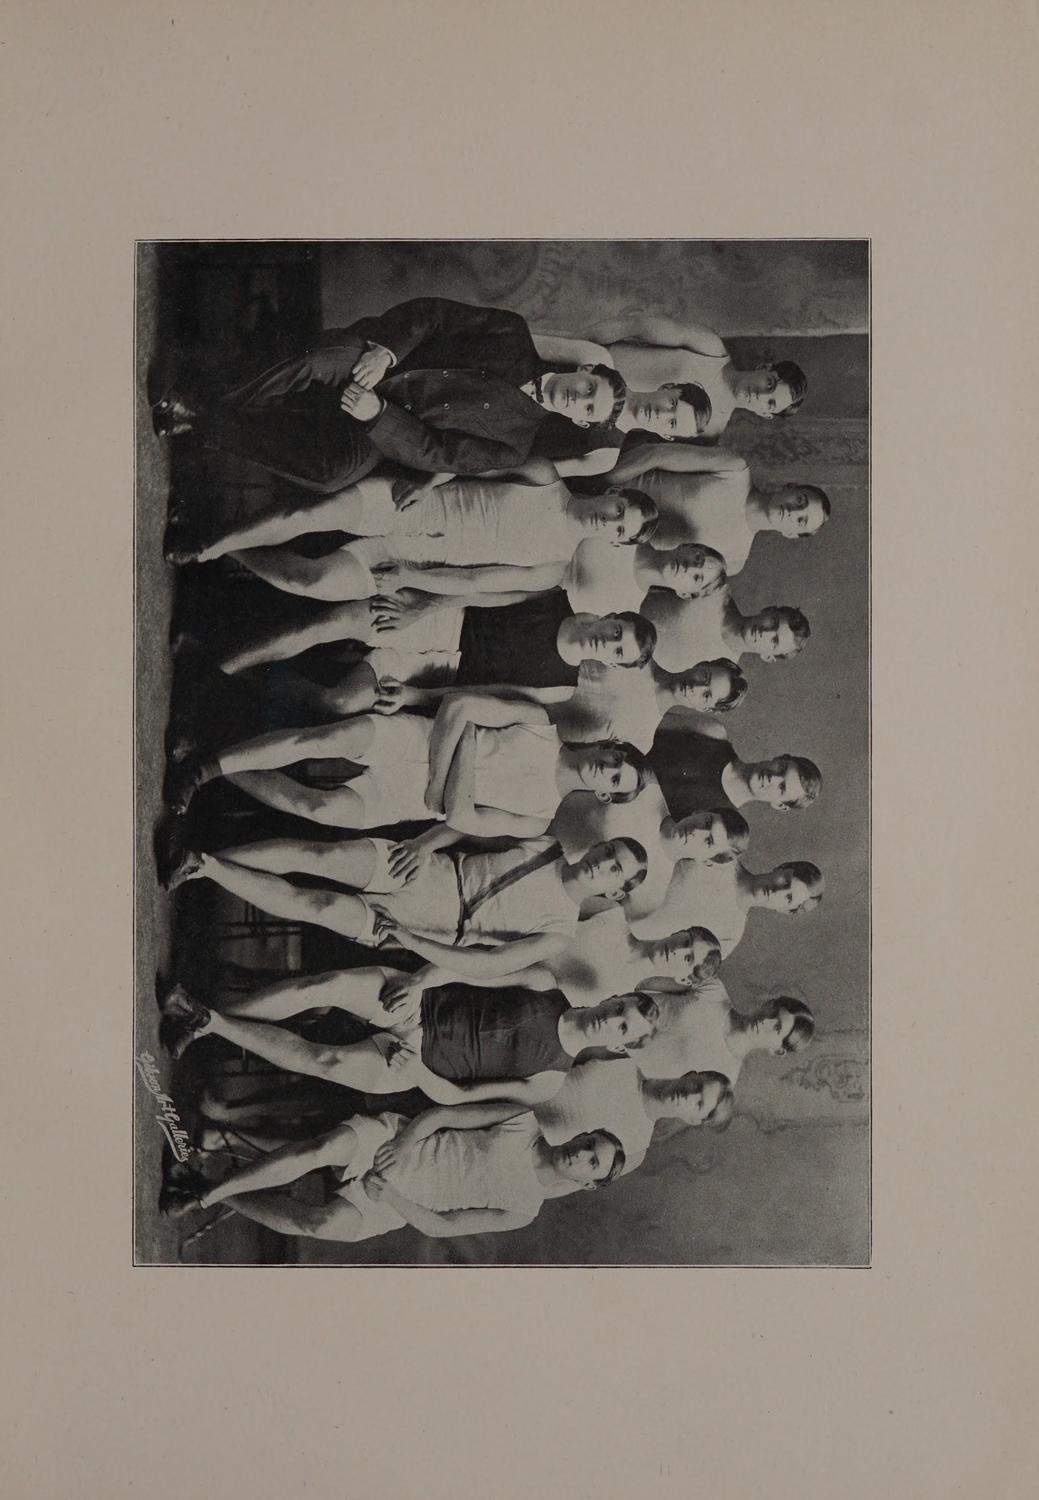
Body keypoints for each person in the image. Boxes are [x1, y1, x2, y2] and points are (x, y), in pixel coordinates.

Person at [156, 296, 631, 509]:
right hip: (376, 359)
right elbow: (432, 314)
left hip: (383, 425)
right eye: (589, 389)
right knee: (319, 360)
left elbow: (435, 453)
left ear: (579, 421)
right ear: (585, 370)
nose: (579, 399)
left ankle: (204, 425)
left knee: (329, 473)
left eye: (587, 409)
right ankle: (195, 397)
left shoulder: (514, 446)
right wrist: (385, 353)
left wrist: (379, 417)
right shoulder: (512, 333)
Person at [159, 828, 649, 977]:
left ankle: (206, 868)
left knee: (317, 906)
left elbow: (482, 966)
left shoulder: (560, 931)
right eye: (608, 852)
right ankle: (199, 855)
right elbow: (467, 824)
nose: (602, 863)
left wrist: (410, 940)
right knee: (319, 855)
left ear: (615, 893)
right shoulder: (546, 842)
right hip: (427, 869)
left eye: (614, 870)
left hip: (428, 925)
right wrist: (423, 845)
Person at [167, 689, 651, 837]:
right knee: (323, 739)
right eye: (614, 759)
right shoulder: (540, 724)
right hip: (417, 743)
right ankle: (204, 769)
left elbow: (461, 819)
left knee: (315, 809)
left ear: (604, 794)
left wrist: (467, 745)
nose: (606, 769)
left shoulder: (538, 820)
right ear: (605, 746)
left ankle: (208, 757)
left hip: (409, 800)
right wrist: (443, 775)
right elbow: (459, 706)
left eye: (613, 779)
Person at [157, 967, 660, 1107]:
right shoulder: (546, 984)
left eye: (622, 1029)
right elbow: (469, 968)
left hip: (417, 1061)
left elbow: (458, 1097)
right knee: (324, 986)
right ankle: (202, 1009)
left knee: (326, 1062)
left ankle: (208, 1023)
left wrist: (417, 1070)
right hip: (420, 1001)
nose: (612, 1020)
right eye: (620, 1010)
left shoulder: (550, 1080)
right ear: (614, 997)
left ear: (618, 1046)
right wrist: (420, 982)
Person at [159, 1099, 627, 1243]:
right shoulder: (523, 1121)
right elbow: (441, 1116)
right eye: (589, 1144)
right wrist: (401, 1147)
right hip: (398, 1144)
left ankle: (213, 1186)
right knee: (323, 1148)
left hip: (398, 1202)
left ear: (587, 1184)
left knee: (321, 1224)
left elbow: (443, 1226)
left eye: (592, 1162)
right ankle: (203, 1196)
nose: (581, 1154)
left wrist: (391, 1197)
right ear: (581, 1134)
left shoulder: (524, 1210)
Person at [167, 472, 658, 579]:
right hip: (415, 505)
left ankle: (227, 544)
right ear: (614, 494)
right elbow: (470, 460)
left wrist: (412, 580)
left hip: (412, 558)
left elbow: (476, 583)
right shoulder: (545, 478)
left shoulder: (554, 565)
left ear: (615, 543)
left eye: (619, 531)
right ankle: (207, 544)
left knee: (309, 579)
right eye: (618, 511)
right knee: (309, 516)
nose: (609, 521)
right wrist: (426, 483)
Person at [533, 315, 808, 443]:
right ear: (764, 367)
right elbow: (637, 326)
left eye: (770, 403)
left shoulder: (711, 428)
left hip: (572, 413)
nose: (761, 395)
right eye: (769, 384)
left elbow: (635, 439)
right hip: (577, 359)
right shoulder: (710, 348)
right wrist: (574, 343)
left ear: (765, 414)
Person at [605, 444, 831, 570]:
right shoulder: (734, 469)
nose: (793, 511)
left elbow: (654, 568)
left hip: (607, 541)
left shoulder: (734, 560)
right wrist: (598, 484)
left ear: (790, 534)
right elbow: (656, 454)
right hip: (608, 488)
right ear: (790, 487)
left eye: (801, 520)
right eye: (800, 501)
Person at [535, 1061, 735, 1181]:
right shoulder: (622, 1059)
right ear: (690, 1074)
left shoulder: (633, 1152)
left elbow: (550, 1182)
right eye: (697, 1085)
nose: (689, 1095)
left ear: (693, 1120)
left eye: (699, 1104)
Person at [630, 979, 816, 1085]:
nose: (765, 1021)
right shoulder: (713, 990)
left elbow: (657, 1092)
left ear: (777, 1050)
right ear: (768, 1004)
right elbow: (640, 980)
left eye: (777, 1028)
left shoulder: (722, 1080)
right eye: (773, 1012)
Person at [628, 857, 825, 956]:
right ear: (780, 868)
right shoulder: (722, 856)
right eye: (785, 881)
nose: (777, 891)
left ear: (784, 911)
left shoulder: (729, 936)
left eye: (788, 898)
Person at [647, 720, 822, 821]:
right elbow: (644, 721)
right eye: (781, 768)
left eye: (782, 788)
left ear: (780, 805)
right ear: (779, 758)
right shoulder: (713, 733)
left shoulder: (715, 821)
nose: (773, 778)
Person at [639, 584, 810, 674]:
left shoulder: (717, 674)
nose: (765, 632)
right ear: (768, 610)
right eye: (773, 622)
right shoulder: (716, 591)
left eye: (774, 641)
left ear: (768, 657)